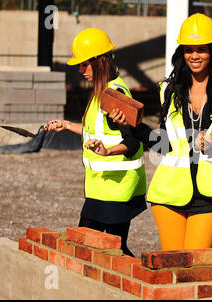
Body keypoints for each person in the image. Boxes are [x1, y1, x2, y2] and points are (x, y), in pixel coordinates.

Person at [145, 13, 212, 251]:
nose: (194, 56)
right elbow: (164, 144)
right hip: (168, 193)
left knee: (195, 267)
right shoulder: (168, 90)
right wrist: (134, 127)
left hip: (210, 194)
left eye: (201, 49)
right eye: (189, 50)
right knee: (171, 266)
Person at [45, 28, 147, 256]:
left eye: (84, 64)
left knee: (101, 249)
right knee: (107, 250)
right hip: (104, 190)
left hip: (116, 192)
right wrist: (67, 125)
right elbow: (96, 132)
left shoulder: (115, 95)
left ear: (100, 62)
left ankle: (139, 287)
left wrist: (106, 151)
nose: (80, 70)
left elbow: (132, 143)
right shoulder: (100, 91)